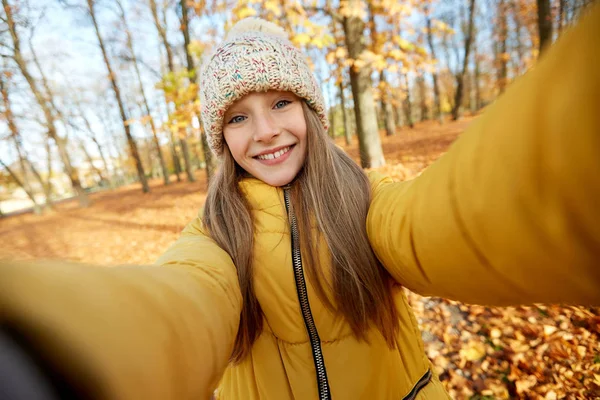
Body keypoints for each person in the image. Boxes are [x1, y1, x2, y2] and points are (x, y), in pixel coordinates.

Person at [1, 6, 599, 400]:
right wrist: (47, 350)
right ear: (220, 137)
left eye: (281, 103)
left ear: (311, 109)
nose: (264, 131)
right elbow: (182, 302)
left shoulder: (367, 197)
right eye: (238, 116)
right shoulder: (213, 235)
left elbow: (446, 222)